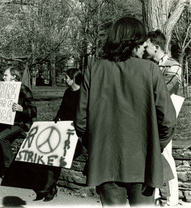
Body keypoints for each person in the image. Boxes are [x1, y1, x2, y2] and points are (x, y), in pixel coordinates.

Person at [74, 17, 177, 207]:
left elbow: (81, 121)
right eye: (141, 42)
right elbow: (168, 120)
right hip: (144, 161)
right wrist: (156, 145)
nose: (144, 47)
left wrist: (96, 145)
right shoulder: (151, 70)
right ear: (134, 42)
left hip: (105, 160)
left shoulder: (94, 69)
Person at [33, 68, 83, 202]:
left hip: (76, 134)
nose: (64, 79)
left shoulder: (84, 94)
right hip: (63, 130)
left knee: (58, 154)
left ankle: (50, 186)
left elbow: (85, 116)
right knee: (50, 151)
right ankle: (50, 186)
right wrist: (56, 120)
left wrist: (78, 132)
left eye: (66, 77)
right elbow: (62, 109)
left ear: (73, 79)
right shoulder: (68, 92)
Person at [146, 29, 182, 206]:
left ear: (156, 47)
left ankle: (172, 199)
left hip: (164, 119)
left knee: (166, 155)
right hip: (147, 115)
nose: (144, 48)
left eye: (148, 45)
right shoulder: (146, 64)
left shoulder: (174, 66)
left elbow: (164, 92)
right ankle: (155, 195)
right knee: (151, 156)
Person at [0, 66, 37, 176]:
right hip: (6, 122)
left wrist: (22, 109)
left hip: (21, 123)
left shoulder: (23, 89)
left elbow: (33, 110)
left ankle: (10, 167)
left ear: (14, 77)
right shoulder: (2, 90)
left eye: (5, 75)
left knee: (2, 136)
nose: (3, 77)